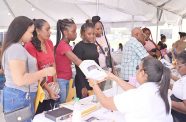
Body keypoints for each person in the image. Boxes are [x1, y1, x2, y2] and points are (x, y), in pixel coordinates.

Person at [1, 16, 56, 121]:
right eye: (30, 32)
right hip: (19, 96)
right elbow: (20, 80)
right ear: (21, 31)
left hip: (19, 95)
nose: (32, 35)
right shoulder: (15, 49)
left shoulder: (15, 47)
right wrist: (44, 72)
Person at [88, 56, 173, 122]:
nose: (136, 71)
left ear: (143, 73)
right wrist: (114, 78)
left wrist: (94, 85)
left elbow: (105, 102)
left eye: (137, 68)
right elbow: (135, 91)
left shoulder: (136, 96)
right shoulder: (161, 91)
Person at [25, 19, 58, 114]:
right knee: (41, 115)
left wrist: (55, 83)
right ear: (38, 31)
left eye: (50, 29)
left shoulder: (49, 43)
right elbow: (35, 72)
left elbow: (53, 63)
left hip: (52, 85)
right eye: (47, 29)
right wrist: (49, 89)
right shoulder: (29, 46)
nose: (50, 32)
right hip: (39, 88)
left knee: (52, 113)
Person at [55, 19, 82, 103]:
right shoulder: (63, 46)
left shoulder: (66, 45)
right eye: (73, 31)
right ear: (65, 32)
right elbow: (76, 60)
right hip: (61, 80)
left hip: (66, 79)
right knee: (61, 104)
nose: (76, 33)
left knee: (64, 103)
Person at [73, 22, 99, 99]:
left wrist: (99, 78)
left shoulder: (94, 46)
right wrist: (83, 86)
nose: (92, 36)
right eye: (89, 34)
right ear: (83, 33)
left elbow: (96, 62)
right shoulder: (78, 47)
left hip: (93, 79)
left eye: (93, 34)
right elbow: (78, 67)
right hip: (82, 81)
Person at [171, 51, 186, 122]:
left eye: (179, 66)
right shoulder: (184, 78)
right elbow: (181, 89)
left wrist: (167, 101)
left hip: (179, 117)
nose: (177, 68)